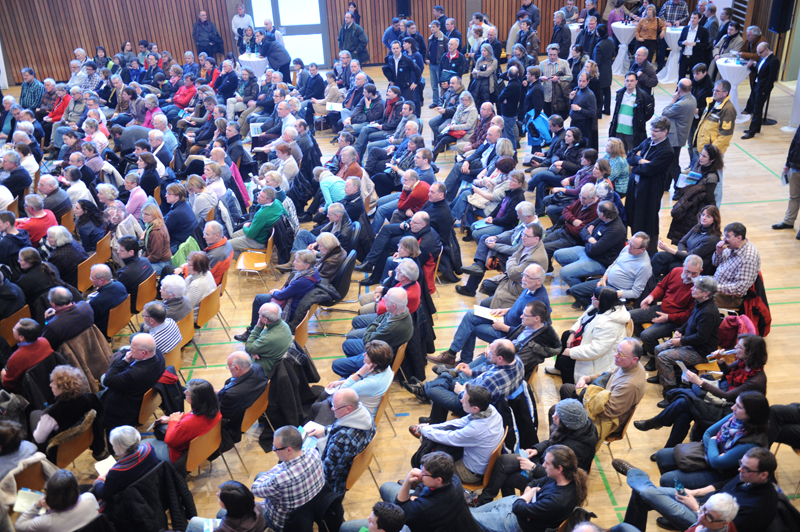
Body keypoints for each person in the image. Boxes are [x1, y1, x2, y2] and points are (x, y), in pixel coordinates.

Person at [641, 334, 768, 451]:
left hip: (730, 411)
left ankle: (657, 423)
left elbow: (728, 396)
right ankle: (667, 449)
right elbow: (728, 373)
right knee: (684, 411)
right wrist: (720, 360)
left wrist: (700, 382)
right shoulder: (744, 362)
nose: (735, 348)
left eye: (739, 347)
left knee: (684, 402)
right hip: (723, 400)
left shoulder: (756, 381)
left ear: (750, 352)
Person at [615, 446, 778, 532]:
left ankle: (637, 475)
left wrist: (696, 508)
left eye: (746, 468)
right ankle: (639, 479)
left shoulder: (757, 507)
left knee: (647, 492)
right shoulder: (748, 476)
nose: (740, 469)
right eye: (741, 463)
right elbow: (724, 484)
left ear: (763, 475)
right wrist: (695, 492)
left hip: (704, 519)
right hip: (703, 504)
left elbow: (723, 527)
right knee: (640, 494)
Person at [475, 399, 598, 506]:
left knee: (506, 478)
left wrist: (533, 468)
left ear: (567, 423)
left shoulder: (574, 449)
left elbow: (559, 476)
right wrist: (537, 449)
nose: (553, 416)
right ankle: (483, 501)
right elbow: (553, 440)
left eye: (558, 416)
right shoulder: (578, 425)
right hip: (547, 462)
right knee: (503, 460)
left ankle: (508, 506)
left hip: (551, 480)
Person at [469, 445, 588, 532]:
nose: (543, 466)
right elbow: (534, 483)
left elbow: (517, 507)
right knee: (470, 513)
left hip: (516, 523)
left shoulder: (557, 500)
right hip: (520, 507)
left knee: (466, 517)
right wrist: (527, 497)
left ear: (560, 469)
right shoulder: (562, 478)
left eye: (547, 463)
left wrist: (531, 493)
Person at [409, 383, 504, 485]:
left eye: (465, 401)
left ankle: (417, 483)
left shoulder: (475, 429)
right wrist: (430, 427)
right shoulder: (491, 409)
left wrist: (424, 430)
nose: (461, 400)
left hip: (470, 472)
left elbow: (449, 437)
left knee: (434, 467)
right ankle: (425, 438)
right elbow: (461, 422)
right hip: (482, 461)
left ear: (475, 408)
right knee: (437, 442)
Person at [378, 452, 480, 532]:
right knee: (388, 487)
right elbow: (422, 485)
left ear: (438, 480)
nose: (420, 474)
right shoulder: (453, 479)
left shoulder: (427, 508)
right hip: (456, 521)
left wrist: (407, 481)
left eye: (424, 473)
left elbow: (400, 508)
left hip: (422, 515)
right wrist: (415, 496)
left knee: (386, 488)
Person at [652, 275, 720, 394]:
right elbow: (689, 321)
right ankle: (662, 376)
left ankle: (671, 390)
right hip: (691, 343)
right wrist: (680, 331)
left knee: (664, 357)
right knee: (658, 348)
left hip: (701, 352)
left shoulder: (708, 312)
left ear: (705, 293)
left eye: (696, 287)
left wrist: (681, 341)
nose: (691, 288)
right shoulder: (699, 303)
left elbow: (701, 338)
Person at [550, 286, 631, 385]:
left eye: (595, 297)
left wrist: (571, 352)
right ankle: (559, 369)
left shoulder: (610, 325)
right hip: (592, 341)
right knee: (567, 335)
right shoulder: (600, 307)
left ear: (603, 301)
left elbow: (596, 350)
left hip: (600, 360)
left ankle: (572, 389)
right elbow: (582, 319)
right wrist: (573, 332)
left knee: (565, 360)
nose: (592, 298)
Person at [250, 425, 325, 531]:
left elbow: (254, 489)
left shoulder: (280, 480)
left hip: (281, 523)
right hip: (307, 507)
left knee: (260, 477)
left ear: (289, 450)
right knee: (262, 476)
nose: (273, 450)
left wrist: (277, 469)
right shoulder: (314, 453)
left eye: (276, 448)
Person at [146, 378, 221, 475]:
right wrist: (175, 418)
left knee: (144, 443)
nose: (184, 392)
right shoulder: (214, 409)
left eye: (188, 392)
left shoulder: (188, 424)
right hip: (203, 446)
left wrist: (173, 421)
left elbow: (170, 442)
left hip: (178, 455)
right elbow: (193, 416)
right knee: (163, 427)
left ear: (196, 399)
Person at [333, 288, 414, 378]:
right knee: (347, 344)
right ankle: (357, 371)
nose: (384, 300)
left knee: (336, 365)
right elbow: (381, 318)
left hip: (377, 358)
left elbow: (367, 340)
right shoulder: (402, 310)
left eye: (386, 299)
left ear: (394, 306)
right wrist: (376, 326)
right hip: (380, 347)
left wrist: (375, 325)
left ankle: (359, 376)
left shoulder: (392, 328)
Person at [314, 340, 394, 422]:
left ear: (374, 363)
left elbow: (341, 393)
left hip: (358, 416)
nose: (363, 355)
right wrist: (339, 382)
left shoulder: (373, 382)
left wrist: (360, 372)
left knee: (317, 406)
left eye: (367, 355)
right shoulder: (386, 368)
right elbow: (361, 380)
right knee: (324, 396)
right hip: (359, 401)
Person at [626, 118, 674, 255]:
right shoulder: (648, 141)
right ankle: (635, 245)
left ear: (665, 132)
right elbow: (630, 156)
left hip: (648, 192)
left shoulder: (666, 151)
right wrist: (641, 160)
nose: (652, 132)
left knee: (646, 222)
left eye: (656, 131)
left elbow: (648, 170)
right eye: (651, 129)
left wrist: (635, 165)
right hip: (635, 187)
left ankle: (649, 252)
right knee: (633, 218)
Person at [91, 426, 160, 512]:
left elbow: (104, 494)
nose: (113, 448)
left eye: (113, 445)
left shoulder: (117, 472)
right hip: (150, 490)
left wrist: (99, 480)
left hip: (129, 503)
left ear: (119, 448)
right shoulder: (149, 449)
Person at [15, 469, 99, 532]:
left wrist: (37, 505)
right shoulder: (89, 497)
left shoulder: (47, 521)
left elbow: (19, 525)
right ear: (76, 489)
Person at [712, 222, 760, 309]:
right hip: (717, 286)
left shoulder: (748, 258)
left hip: (731, 298)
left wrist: (713, 287)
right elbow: (715, 264)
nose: (724, 239)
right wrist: (718, 252)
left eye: (727, 236)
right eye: (724, 235)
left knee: (701, 302)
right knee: (692, 290)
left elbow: (740, 289)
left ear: (739, 238)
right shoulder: (731, 246)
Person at [186, 481, 266, 532]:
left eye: (220, 497)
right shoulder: (257, 506)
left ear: (229, 506)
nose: (217, 494)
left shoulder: (226, 527)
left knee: (193, 521)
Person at [662, 79, 698, 193]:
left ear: (679, 89)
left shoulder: (680, 104)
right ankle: (666, 185)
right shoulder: (693, 99)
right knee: (671, 161)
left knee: (673, 164)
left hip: (675, 137)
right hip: (681, 135)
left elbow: (665, 113)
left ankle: (679, 189)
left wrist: (673, 100)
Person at [741, 43, 779, 140]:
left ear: (766, 50)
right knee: (755, 108)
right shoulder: (763, 58)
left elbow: (771, 78)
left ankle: (751, 132)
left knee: (757, 110)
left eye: (760, 52)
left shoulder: (774, 61)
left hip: (762, 89)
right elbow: (759, 71)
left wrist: (764, 90)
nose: (758, 54)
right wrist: (751, 66)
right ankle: (756, 128)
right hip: (757, 86)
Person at [229, 186, 286, 252]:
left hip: (258, 241)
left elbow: (251, 234)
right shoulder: (277, 202)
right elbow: (286, 213)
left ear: (269, 200)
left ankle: (243, 257)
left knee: (228, 245)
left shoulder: (262, 215)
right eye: (259, 194)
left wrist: (244, 226)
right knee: (233, 235)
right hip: (261, 233)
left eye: (262, 196)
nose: (258, 197)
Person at [39, 287, 94, 351]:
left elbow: (44, 346)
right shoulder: (85, 306)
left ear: (53, 304)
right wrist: (57, 314)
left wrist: (47, 320)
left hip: (70, 354)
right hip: (92, 347)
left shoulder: (53, 326)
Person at [86, 263, 127, 339]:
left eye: (92, 277)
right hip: (122, 320)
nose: (89, 279)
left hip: (104, 331)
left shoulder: (96, 302)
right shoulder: (120, 285)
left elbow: (90, 322)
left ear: (101, 280)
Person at [678, 12, 711, 81]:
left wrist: (696, 44)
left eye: (695, 18)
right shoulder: (685, 29)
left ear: (699, 20)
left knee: (693, 77)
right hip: (684, 56)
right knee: (681, 76)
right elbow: (679, 42)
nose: (692, 19)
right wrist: (682, 42)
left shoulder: (703, 31)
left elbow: (706, 45)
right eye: (692, 18)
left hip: (695, 58)